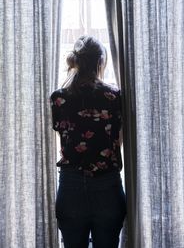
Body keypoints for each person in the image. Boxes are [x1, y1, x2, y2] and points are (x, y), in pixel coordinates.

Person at [50, 36, 126, 248]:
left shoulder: (59, 98)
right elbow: (117, 140)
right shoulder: (114, 96)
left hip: (71, 186)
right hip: (107, 186)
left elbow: (65, 139)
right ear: (100, 62)